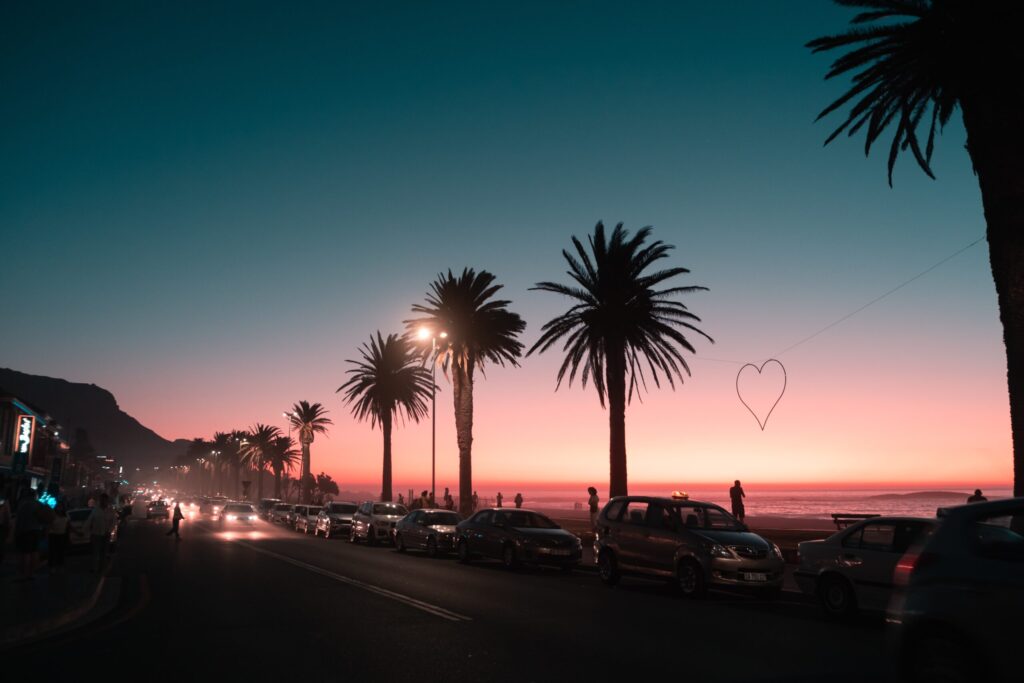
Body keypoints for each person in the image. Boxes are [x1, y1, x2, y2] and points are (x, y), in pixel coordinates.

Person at [14, 488, 50, 581]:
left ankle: (25, 573)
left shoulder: (23, 505)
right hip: (37, 530)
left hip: (25, 530)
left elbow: (19, 520)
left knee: (26, 552)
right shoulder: (39, 505)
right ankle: (32, 573)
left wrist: (17, 531)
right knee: (34, 551)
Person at [86, 493, 116, 572]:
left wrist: (109, 531)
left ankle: (103, 568)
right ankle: (95, 568)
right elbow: (89, 521)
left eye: (104, 500)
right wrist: (85, 531)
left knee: (104, 552)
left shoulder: (110, 511)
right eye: (101, 500)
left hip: (106, 534)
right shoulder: (96, 510)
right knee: (95, 552)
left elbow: (114, 522)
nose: (103, 502)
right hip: (96, 534)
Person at [48, 502, 70, 573]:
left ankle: (60, 566)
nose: (59, 508)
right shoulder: (53, 515)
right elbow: (49, 525)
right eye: (58, 507)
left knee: (61, 552)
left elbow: (69, 526)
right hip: (53, 535)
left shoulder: (65, 516)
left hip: (62, 535)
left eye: (60, 507)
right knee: (53, 552)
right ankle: (52, 567)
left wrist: (77, 532)